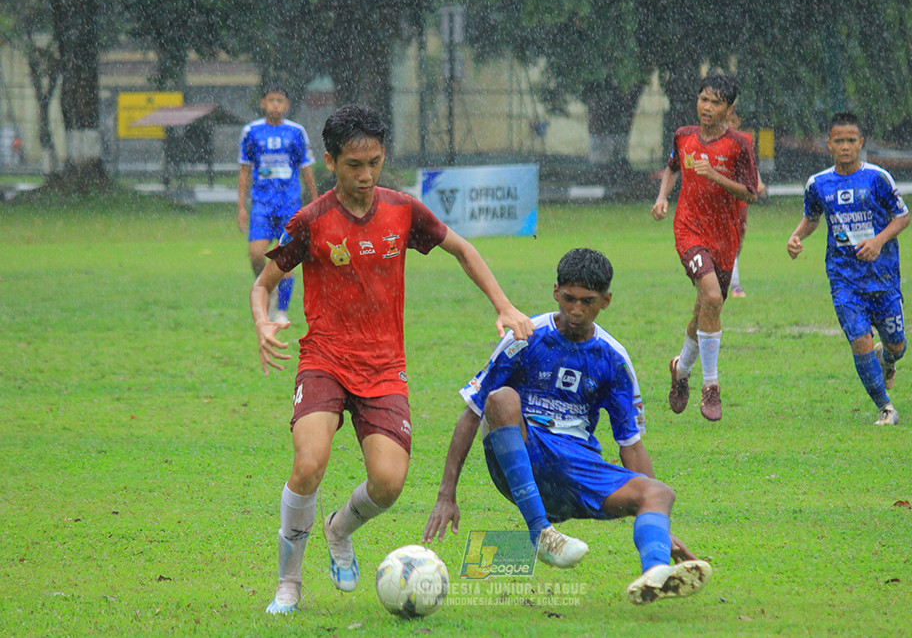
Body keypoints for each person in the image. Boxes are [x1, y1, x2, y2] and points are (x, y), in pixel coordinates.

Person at [252, 104, 534, 614]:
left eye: (375, 163)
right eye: (354, 165)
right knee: (309, 463)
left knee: (388, 483)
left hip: (383, 367)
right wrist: (264, 319)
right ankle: (288, 584)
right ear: (331, 161)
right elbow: (264, 282)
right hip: (325, 359)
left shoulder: (402, 210)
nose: (366, 175)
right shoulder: (311, 221)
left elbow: (463, 249)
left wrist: (505, 305)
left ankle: (339, 529)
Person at [423, 248, 712, 605]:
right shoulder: (524, 337)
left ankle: (655, 572)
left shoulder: (613, 358)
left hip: (577, 469)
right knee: (501, 399)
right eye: (569, 299)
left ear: (606, 301)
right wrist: (445, 495)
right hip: (525, 457)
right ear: (555, 291)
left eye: (587, 302)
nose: (576, 310)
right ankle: (541, 531)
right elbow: (472, 412)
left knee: (659, 493)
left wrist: (659, 525)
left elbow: (630, 445)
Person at [787, 112, 910, 425]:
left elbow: (902, 218)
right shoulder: (818, 184)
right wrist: (797, 235)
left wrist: (878, 241)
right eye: (838, 140)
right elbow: (812, 217)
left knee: (897, 344)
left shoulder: (877, 178)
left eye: (850, 140)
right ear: (828, 143)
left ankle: (888, 357)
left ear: (861, 143)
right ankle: (886, 408)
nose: (845, 146)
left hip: (882, 277)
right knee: (859, 340)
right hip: (844, 278)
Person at [650, 74, 759, 421]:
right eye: (703, 99)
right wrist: (662, 197)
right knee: (712, 298)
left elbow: (750, 193)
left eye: (715, 102)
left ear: (729, 107)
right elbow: (671, 167)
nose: (707, 107)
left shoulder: (740, 144)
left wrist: (715, 175)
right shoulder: (683, 136)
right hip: (689, 230)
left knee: (704, 308)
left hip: (725, 236)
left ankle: (680, 369)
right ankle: (711, 386)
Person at [238, 84, 319, 324]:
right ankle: (268, 286)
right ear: (263, 103)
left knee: (286, 257)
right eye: (271, 100)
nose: (275, 104)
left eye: (280, 100)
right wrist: (241, 206)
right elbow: (244, 170)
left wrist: (315, 202)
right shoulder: (251, 132)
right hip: (262, 206)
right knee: (255, 254)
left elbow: (306, 169)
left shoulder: (296, 132)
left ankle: (281, 310)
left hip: (289, 206)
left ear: (287, 105)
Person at [725, 107, 767, 298]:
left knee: (739, 240)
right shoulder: (719, 141)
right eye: (728, 121)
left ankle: (728, 270)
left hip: (741, 198)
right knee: (730, 240)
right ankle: (735, 286)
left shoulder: (743, 141)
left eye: (734, 121)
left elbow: (750, 165)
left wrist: (758, 182)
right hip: (725, 198)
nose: (730, 125)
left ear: (739, 122)